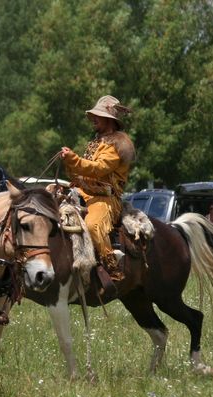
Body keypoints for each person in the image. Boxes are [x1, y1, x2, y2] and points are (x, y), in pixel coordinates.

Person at [60, 95, 136, 283]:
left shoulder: (118, 144)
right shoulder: (97, 141)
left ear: (109, 120)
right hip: (84, 192)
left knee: (94, 226)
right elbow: (82, 171)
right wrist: (70, 164)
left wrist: (73, 159)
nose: (93, 119)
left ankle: (113, 268)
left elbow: (99, 169)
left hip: (105, 198)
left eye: (98, 116)